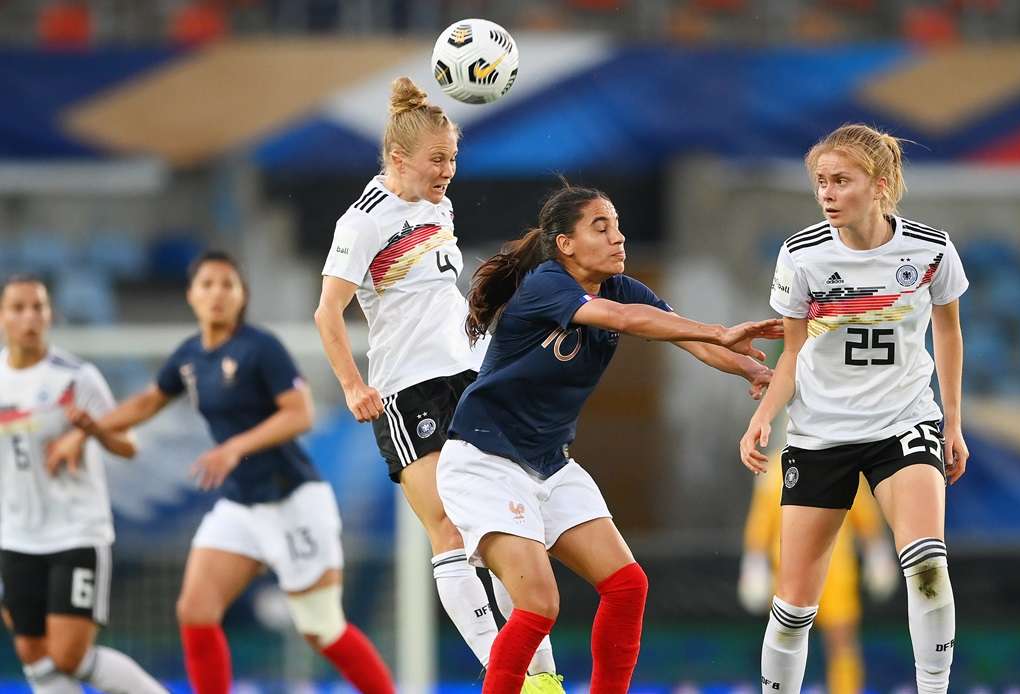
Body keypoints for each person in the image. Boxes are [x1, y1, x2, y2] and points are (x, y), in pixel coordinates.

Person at [438, 183, 780, 694]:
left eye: (618, 225)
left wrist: (751, 373)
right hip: (485, 461)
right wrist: (718, 330)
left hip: (548, 464)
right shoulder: (546, 285)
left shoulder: (620, 287)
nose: (618, 238)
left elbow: (681, 335)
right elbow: (628, 322)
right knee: (539, 606)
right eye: (601, 227)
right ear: (565, 245)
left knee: (626, 586)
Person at [313, 77, 564, 691]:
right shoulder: (363, 222)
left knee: (504, 527)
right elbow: (326, 312)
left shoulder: (438, 205)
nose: (448, 170)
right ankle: (508, 676)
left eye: (453, 158)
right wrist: (351, 385)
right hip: (408, 392)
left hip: (471, 380)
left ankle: (546, 676)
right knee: (450, 532)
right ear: (399, 160)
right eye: (437, 160)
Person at [47, 252, 394, 694]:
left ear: (242, 295)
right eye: (207, 284)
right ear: (191, 295)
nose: (217, 293)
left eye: (227, 284)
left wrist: (235, 447)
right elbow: (145, 404)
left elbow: (299, 415)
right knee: (195, 610)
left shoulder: (259, 348)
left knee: (322, 628)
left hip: (292, 499)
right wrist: (85, 434)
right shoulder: (191, 355)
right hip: (241, 505)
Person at [739, 123, 969, 694]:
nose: (828, 194)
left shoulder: (930, 250)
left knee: (928, 567)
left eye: (841, 181)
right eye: (821, 182)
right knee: (792, 608)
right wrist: (764, 413)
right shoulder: (801, 256)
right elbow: (792, 351)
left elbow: (949, 334)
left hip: (905, 422)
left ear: (881, 184)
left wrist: (953, 424)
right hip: (821, 435)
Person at [0, 274, 167, 694]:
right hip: (16, 534)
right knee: (33, 652)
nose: (29, 317)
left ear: (49, 315)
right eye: (18, 308)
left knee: (70, 656)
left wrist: (93, 430)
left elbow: (128, 446)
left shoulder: (75, 378)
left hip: (74, 529)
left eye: (37, 307)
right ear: (3, 317)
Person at [740, 455, 898, 694]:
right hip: (789, 570)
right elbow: (761, 520)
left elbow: (864, 514)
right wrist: (755, 562)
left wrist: (877, 551)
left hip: (835, 569)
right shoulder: (775, 471)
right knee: (784, 639)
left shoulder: (844, 464)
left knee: (841, 640)